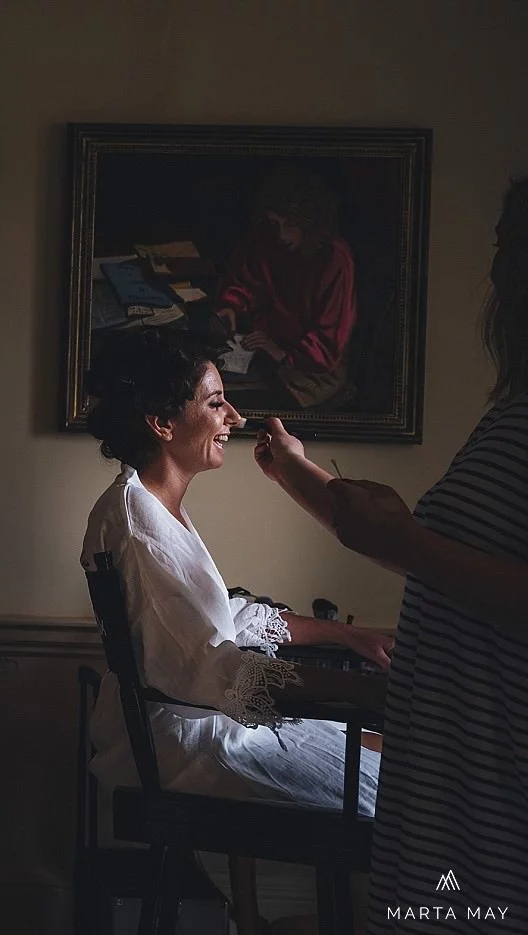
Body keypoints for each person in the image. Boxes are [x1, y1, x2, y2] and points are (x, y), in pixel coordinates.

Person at [256, 178, 528, 932]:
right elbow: (445, 560)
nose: (497, 269)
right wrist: (295, 472)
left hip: (499, 795)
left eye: (512, 247)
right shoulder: (511, 412)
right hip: (455, 783)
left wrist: (406, 540)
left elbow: (427, 552)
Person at [80, 327, 392, 818]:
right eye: (216, 403)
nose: (236, 418)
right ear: (162, 423)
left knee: (389, 754)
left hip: (202, 727)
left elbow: (224, 617)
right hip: (188, 747)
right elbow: (211, 670)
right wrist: (368, 690)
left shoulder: (151, 507)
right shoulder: (138, 523)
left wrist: (348, 636)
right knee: (413, 791)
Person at [213, 165, 357, 408]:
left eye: (290, 225)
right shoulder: (265, 239)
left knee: (230, 402)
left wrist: (279, 352)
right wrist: (231, 305)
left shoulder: (334, 258)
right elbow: (243, 280)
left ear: (310, 223)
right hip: (262, 345)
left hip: (313, 365)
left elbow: (329, 340)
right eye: (274, 224)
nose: (280, 234)